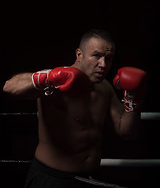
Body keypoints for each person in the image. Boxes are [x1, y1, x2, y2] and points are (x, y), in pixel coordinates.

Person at [3, 29, 148, 188]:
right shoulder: (58, 83)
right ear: (79, 54)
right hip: (51, 178)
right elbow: (10, 87)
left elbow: (126, 131)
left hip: (89, 178)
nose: (103, 64)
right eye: (96, 56)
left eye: (108, 58)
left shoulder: (105, 88)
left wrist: (134, 100)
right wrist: (49, 77)